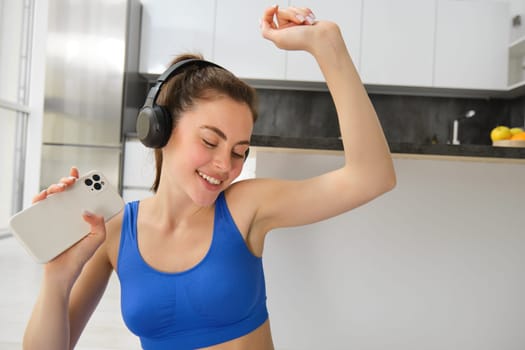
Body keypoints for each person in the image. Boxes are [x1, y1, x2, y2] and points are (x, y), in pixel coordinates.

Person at [23, 5, 396, 350]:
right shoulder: (116, 231)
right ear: (160, 129)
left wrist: (327, 46)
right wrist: (57, 278)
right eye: (210, 141)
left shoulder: (246, 207)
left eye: (239, 151)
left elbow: (371, 176)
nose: (225, 165)